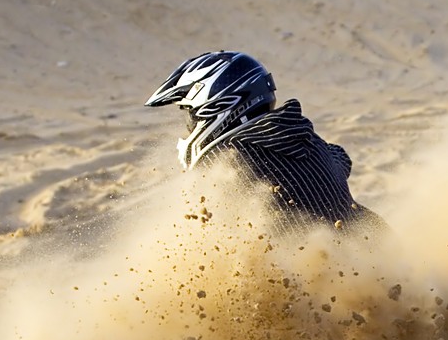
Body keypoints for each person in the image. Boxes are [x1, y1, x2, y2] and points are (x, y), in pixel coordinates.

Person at [145, 51, 383, 235]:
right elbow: (341, 158)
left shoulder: (232, 163)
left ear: (218, 105)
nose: (189, 124)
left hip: (320, 284)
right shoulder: (305, 138)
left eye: (190, 113)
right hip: (382, 256)